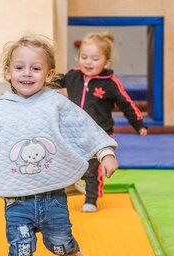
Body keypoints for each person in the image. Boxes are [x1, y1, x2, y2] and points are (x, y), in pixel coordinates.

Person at [0, 33, 119, 256]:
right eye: (19, 68)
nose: (27, 73)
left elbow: (83, 127)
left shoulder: (56, 103)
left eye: (36, 69)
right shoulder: (0, 109)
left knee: (62, 244)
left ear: (49, 75)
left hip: (53, 196)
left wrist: (105, 153)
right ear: (8, 72)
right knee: (20, 248)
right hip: (16, 201)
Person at [55, 31, 147, 213]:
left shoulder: (110, 83)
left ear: (107, 62)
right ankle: (63, 192)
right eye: (84, 57)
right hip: (72, 133)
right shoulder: (73, 76)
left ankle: (91, 199)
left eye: (95, 59)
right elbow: (54, 81)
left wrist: (138, 123)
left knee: (92, 169)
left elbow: (126, 103)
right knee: (66, 164)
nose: (88, 62)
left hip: (99, 134)